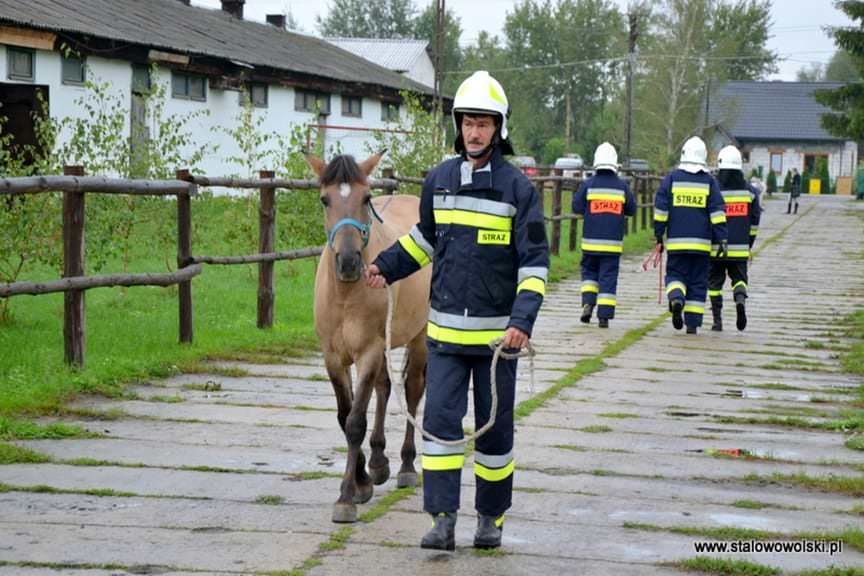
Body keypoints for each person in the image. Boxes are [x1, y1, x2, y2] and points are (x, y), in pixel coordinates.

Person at [364, 70, 549, 551]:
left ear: (499, 128)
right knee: (442, 432)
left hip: (496, 346)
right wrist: (386, 266)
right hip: (443, 337)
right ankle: (441, 520)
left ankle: (491, 519)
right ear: (458, 125)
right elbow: (425, 240)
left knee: (494, 438)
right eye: (468, 121)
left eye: (484, 123)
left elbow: (534, 265)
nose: (474, 131)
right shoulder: (440, 180)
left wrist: (521, 323)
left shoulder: (518, 191)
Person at [654, 136, 728, 335]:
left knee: (676, 276)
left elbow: (661, 210)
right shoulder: (709, 182)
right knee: (698, 283)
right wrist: (722, 238)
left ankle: (677, 299)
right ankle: (692, 325)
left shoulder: (671, 179)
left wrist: (658, 235)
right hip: (702, 246)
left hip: (677, 244)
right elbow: (717, 212)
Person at [571, 142, 636, 328]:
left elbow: (576, 207)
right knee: (608, 278)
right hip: (612, 246)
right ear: (615, 164)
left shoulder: (588, 185)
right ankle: (604, 318)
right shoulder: (622, 187)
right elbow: (631, 210)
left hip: (590, 243)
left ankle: (588, 304)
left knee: (589, 274)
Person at [709, 146, 762, 332]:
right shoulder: (750, 192)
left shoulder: (714, 190)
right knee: (739, 280)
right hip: (740, 248)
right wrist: (749, 244)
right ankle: (740, 302)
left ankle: (717, 321)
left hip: (716, 248)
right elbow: (755, 221)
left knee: (714, 283)